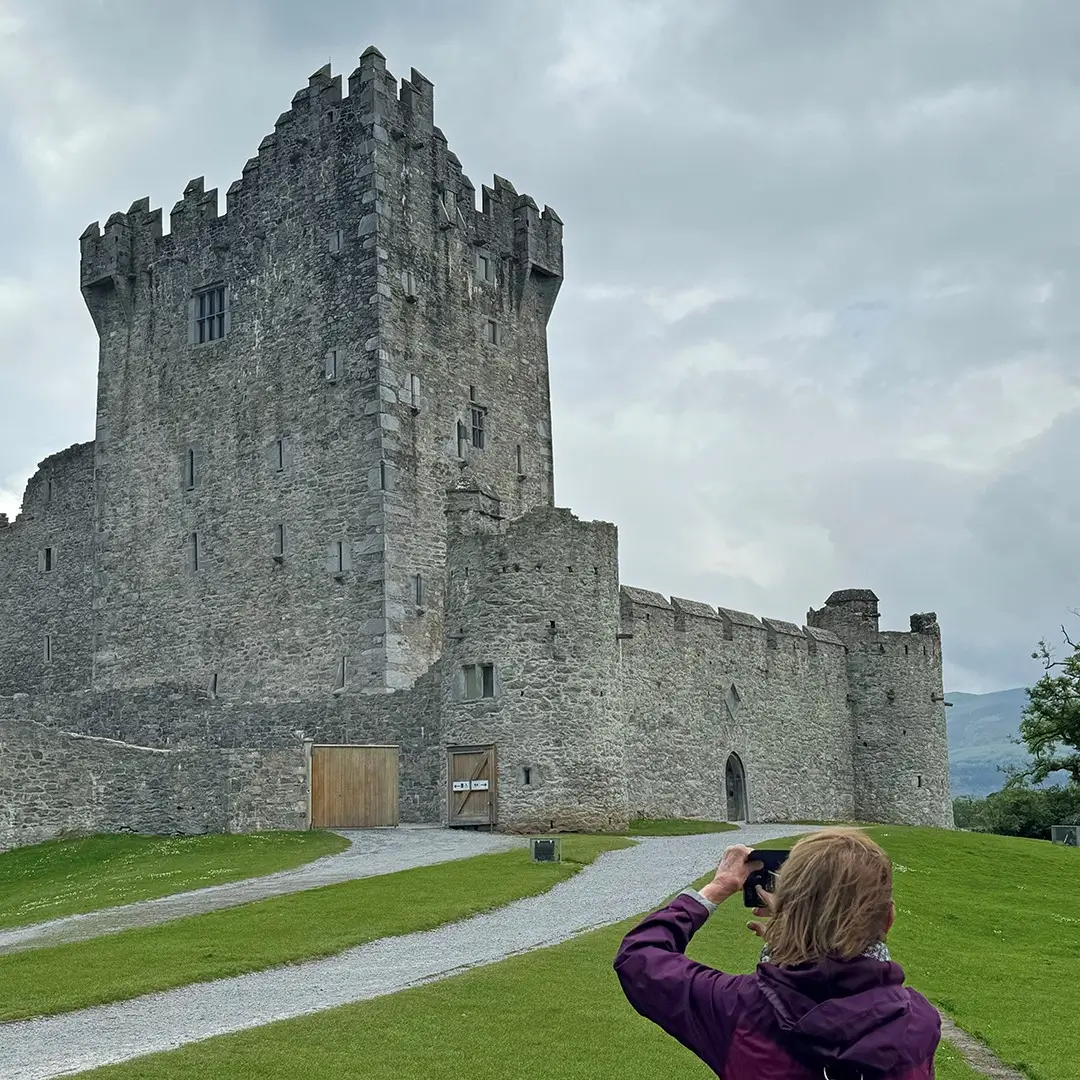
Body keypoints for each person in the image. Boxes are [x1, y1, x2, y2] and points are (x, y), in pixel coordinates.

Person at [614, 828, 941, 1079]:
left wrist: (719, 887)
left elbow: (639, 956)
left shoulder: (737, 1009)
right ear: (888, 919)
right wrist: (798, 937)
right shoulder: (919, 1024)